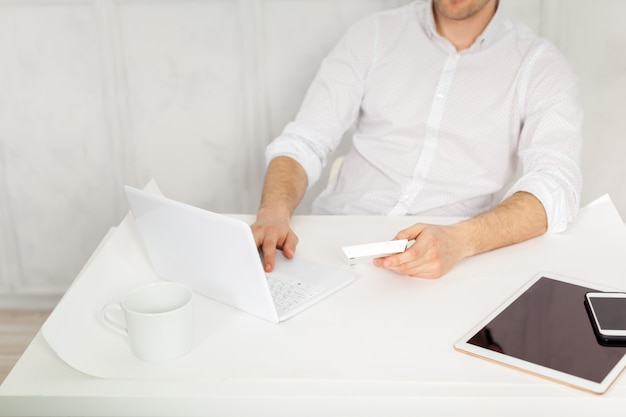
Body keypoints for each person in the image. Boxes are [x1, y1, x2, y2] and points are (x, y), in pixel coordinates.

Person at [251, 0, 582, 279]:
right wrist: (274, 210)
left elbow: (555, 185)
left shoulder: (540, 66)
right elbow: (305, 139)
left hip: (446, 261)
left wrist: (460, 241)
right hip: (333, 244)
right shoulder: (374, 35)